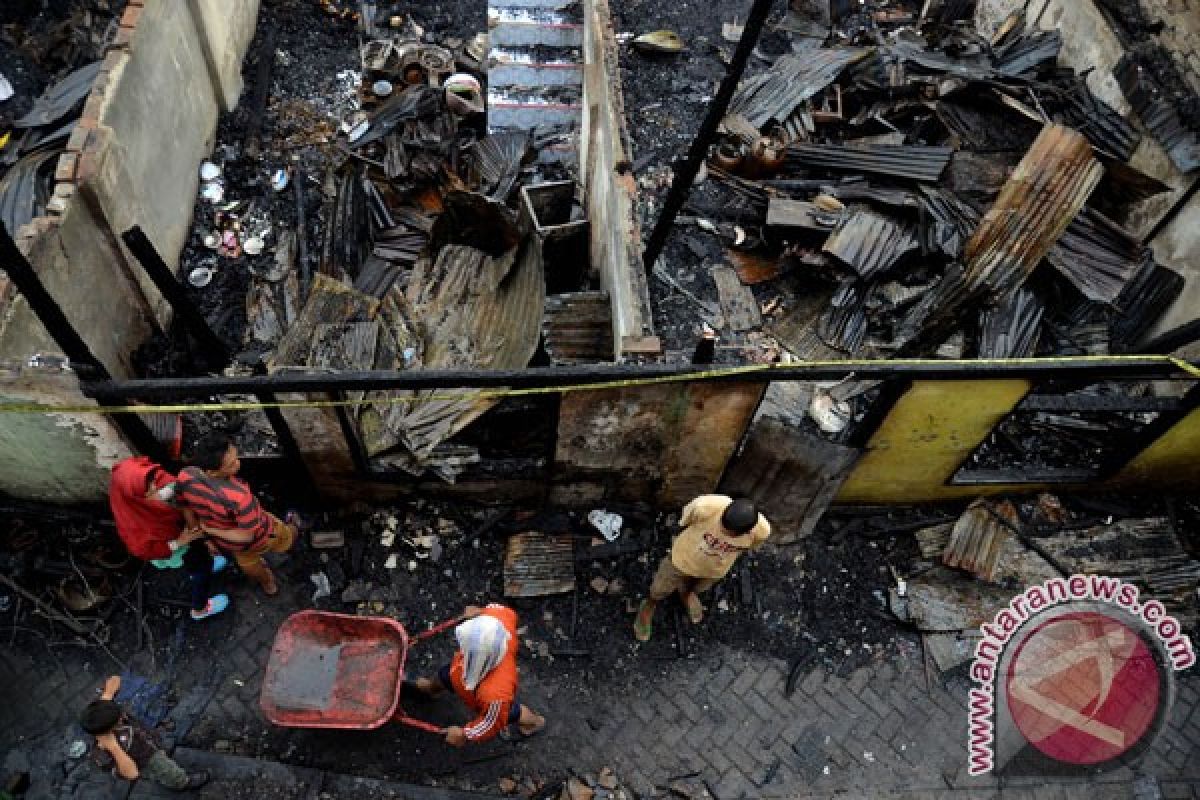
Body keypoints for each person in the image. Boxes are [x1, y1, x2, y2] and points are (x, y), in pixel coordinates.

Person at [173, 434, 299, 596]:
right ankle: (293, 532)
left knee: (248, 563)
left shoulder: (185, 476)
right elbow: (247, 536)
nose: (238, 462)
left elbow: (185, 506)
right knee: (284, 535)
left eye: (235, 455)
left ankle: (269, 585)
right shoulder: (239, 498)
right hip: (261, 535)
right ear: (211, 472)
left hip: (232, 545)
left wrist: (202, 535)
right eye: (231, 464)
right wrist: (212, 531)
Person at [633, 495, 771, 642]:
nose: (723, 533)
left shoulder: (762, 531)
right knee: (660, 588)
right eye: (721, 527)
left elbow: (750, 546)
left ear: (747, 532)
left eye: (729, 533)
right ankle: (648, 606)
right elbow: (685, 520)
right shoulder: (704, 507)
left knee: (698, 587)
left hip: (714, 570)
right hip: (683, 559)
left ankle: (686, 594)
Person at [108, 456, 229, 621]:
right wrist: (180, 542)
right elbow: (144, 549)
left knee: (200, 555)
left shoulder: (132, 488)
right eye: (149, 490)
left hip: (183, 534)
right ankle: (200, 609)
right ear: (135, 495)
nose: (153, 488)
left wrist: (169, 490)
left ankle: (205, 564)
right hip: (175, 548)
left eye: (152, 484)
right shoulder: (133, 524)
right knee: (201, 572)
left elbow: (166, 481)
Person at [408, 603, 546, 746]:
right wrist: (480, 612)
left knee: (511, 713)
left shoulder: (495, 695)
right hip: (463, 669)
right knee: (446, 674)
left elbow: (489, 724)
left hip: (485, 694)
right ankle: (432, 689)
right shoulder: (496, 617)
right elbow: (506, 612)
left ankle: (534, 722)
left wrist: (464, 734)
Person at [81, 675, 209, 791]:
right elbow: (132, 773)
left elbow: (115, 680)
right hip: (148, 762)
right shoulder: (101, 753)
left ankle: (163, 754)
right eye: (118, 720)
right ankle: (181, 782)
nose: (122, 717)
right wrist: (113, 746)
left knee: (161, 752)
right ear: (107, 729)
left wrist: (106, 697)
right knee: (167, 771)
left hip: (148, 742)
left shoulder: (101, 714)